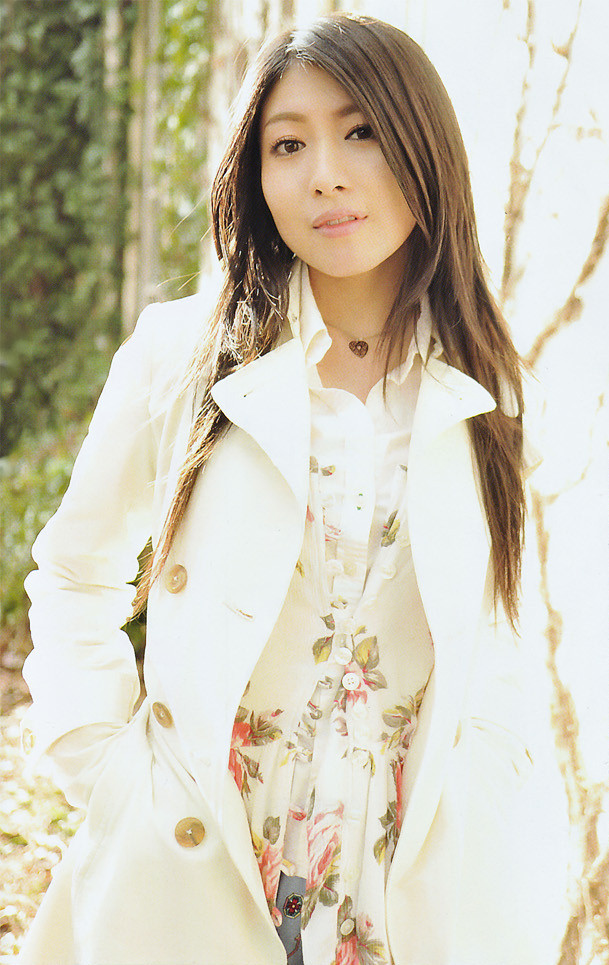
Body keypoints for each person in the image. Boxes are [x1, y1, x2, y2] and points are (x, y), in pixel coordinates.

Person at [19, 13, 549, 965]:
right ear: (255, 178)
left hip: (408, 879)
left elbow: (504, 619)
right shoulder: (180, 357)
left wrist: (497, 784)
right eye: (288, 145)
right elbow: (73, 571)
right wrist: (106, 769)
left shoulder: (486, 386)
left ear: (424, 147)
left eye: (361, 132)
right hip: (196, 859)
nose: (325, 176)